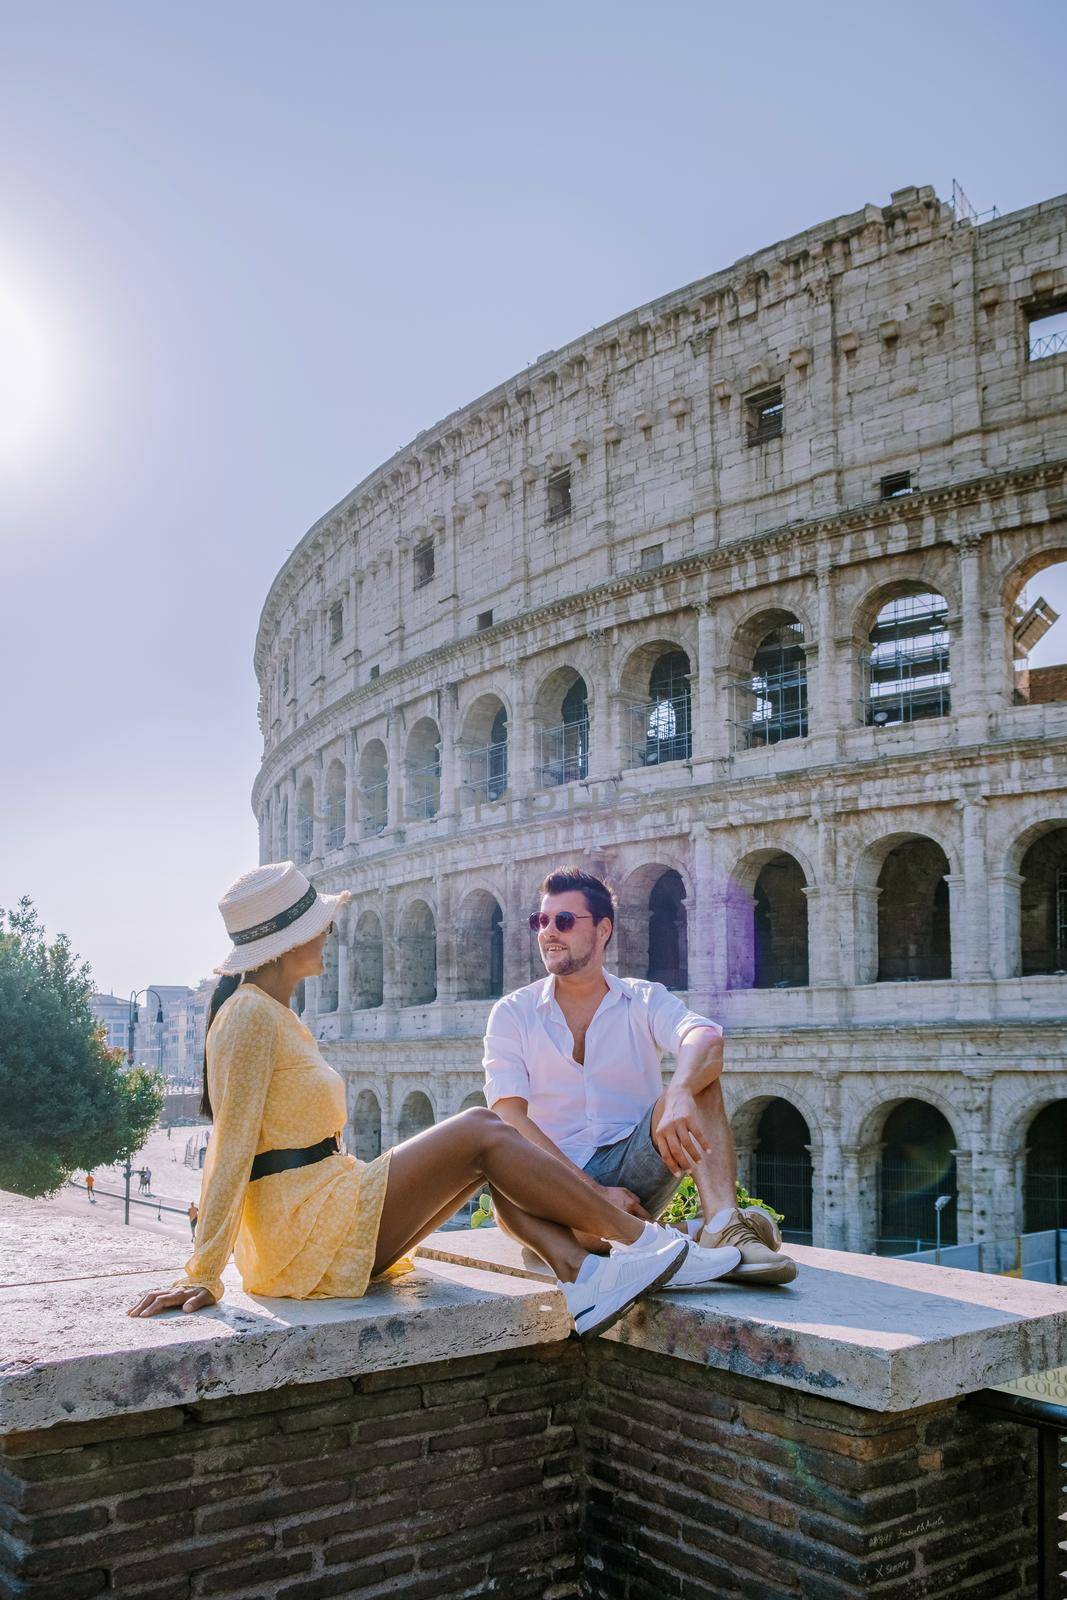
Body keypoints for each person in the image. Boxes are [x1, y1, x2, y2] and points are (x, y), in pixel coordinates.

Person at [128, 862, 743, 1339]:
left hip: (320, 1213)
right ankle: (645, 1245)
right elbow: (232, 1144)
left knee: (493, 1153)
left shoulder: (271, 1013)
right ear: (286, 942)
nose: (328, 930)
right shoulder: (248, 1017)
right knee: (485, 1126)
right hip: (304, 1230)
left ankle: (590, 1280)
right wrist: (203, 1271)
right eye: (316, 923)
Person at [482, 866, 798, 1285]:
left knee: (700, 1074)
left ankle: (722, 1223)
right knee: (557, 1228)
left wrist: (682, 1091)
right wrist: (593, 1194)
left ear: (602, 929)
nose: (547, 932)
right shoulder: (512, 1012)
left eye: (563, 921)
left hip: (636, 1168)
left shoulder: (644, 998)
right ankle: (689, 1236)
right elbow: (511, 1120)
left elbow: (705, 1036)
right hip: (554, 1179)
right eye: (540, 921)